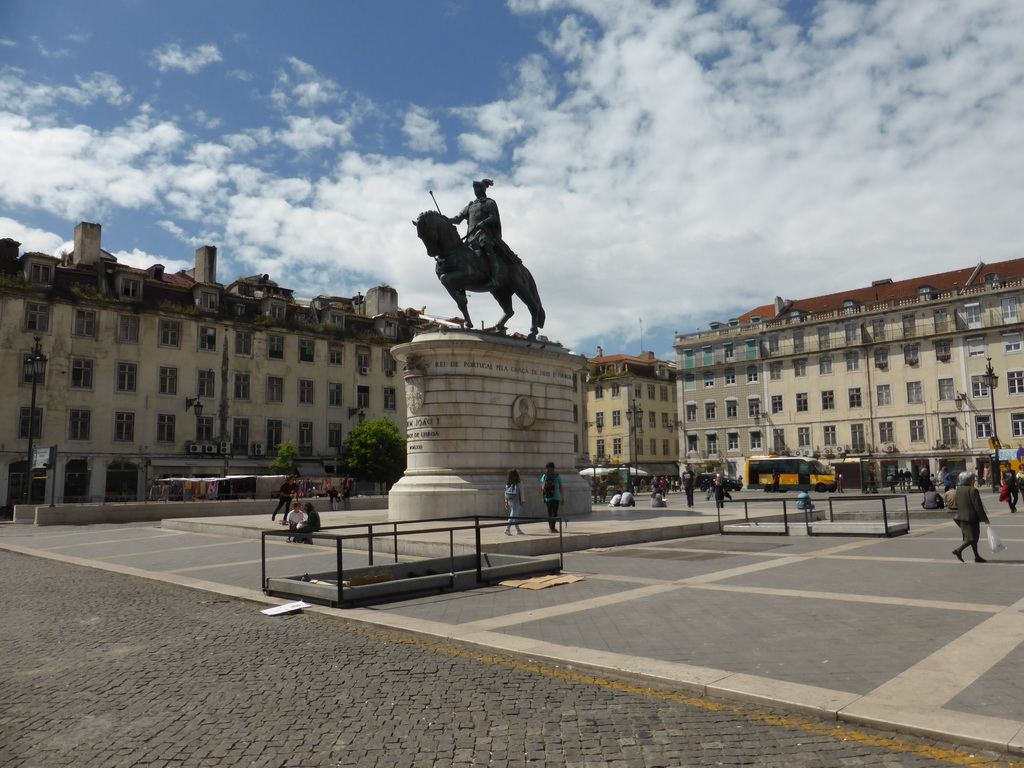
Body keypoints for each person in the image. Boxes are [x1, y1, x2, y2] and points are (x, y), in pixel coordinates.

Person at [447, 179, 519, 288]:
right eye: (474, 188)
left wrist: (483, 222)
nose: (475, 190)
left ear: (482, 189)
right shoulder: (470, 206)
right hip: (470, 237)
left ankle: (494, 278)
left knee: (487, 248)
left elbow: (493, 217)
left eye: (476, 188)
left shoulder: (489, 202)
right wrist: (445, 219)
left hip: (484, 234)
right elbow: (457, 219)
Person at [952, 471, 990, 563]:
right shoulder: (973, 490)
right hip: (971, 517)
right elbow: (977, 505)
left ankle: (977, 556)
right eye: (973, 478)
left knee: (973, 538)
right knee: (972, 538)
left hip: (961, 517)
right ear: (970, 480)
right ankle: (958, 550)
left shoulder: (959, 489)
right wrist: (984, 518)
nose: (974, 480)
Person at [540, 462, 563, 534]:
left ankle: (551, 527)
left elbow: (542, 488)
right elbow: (561, 488)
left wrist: (542, 497)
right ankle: (552, 528)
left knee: (549, 512)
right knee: (554, 513)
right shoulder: (557, 476)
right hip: (556, 497)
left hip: (548, 497)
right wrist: (562, 498)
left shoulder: (544, 476)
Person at [503, 469, 525, 536]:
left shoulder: (508, 483)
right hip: (516, 500)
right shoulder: (519, 483)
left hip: (510, 500)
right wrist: (523, 501)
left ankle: (518, 529)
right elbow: (522, 493)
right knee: (513, 514)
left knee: (515, 515)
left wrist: (506, 502)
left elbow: (505, 493)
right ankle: (507, 529)